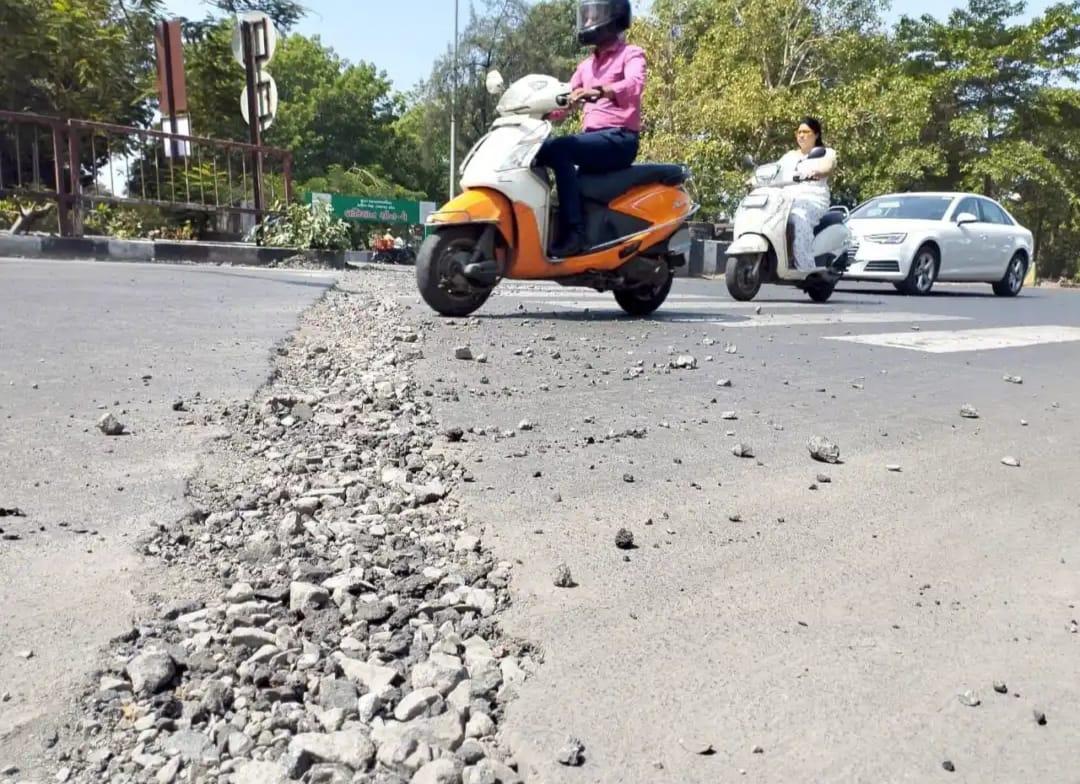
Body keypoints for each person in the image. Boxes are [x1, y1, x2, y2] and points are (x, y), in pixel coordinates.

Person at [536, 0, 645, 258]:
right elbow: (564, 99)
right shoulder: (586, 66)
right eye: (585, 17)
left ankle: (574, 233)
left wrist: (600, 91)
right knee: (540, 150)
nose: (587, 22)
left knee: (560, 149)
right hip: (593, 140)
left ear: (613, 16)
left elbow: (634, 85)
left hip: (620, 138)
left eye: (592, 16)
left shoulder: (631, 54)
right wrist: (539, 111)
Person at [776, 117, 837, 271]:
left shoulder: (825, 153)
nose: (801, 135)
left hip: (812, 199)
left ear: (816, 134)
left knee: (799, 218)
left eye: (806, 132)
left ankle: (806, 269)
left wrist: (817, 171)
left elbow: (827, 167)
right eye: (799, 132)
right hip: (786, 200)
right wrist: (753, 178)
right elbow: (774, 170)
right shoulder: (789, 156)